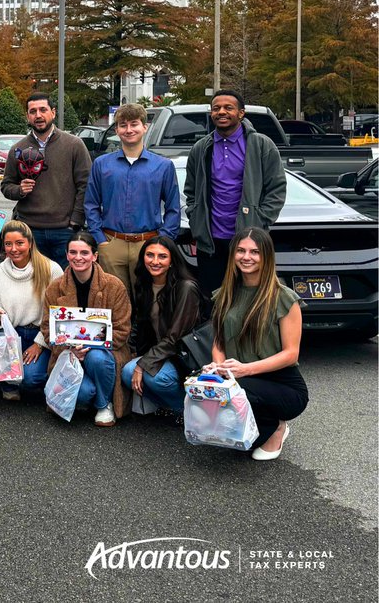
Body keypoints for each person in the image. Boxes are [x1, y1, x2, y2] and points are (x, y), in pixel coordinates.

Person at [205, 229, 308, 461]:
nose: (246, 257)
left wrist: (244, 370)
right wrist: (218, 369)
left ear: (267, 257)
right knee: (230, 437)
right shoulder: (224, 294)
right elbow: (219, 342)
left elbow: (291, 354)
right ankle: (261, 422)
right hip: (241, 379)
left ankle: (277, 426)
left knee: (242, 393)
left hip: (283, 385)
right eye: (240, 251)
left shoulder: (284, 298)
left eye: (255, 252)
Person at [184, 90, 285, 299]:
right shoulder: (201, 148)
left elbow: (277, 188)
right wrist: (196, 219)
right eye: (216, 108)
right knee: (213, 302)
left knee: (249, 301)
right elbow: (191, 191)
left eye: (228, 108)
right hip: (210, 243)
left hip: (248, 241)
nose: (221, 112)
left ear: (241, 113)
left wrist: (260, 220)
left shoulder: (261, 145)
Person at [35, 231, 132, 427]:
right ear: (67, 254)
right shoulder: (55, 288)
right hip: (69, 353)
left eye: (84, 253)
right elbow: (47, 328)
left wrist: (93, 347)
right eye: (73, 252)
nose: (78, 258)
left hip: (105, 353)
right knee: (82, 394)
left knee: (96, 357)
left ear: (95, 256)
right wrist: (68, 349)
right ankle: (95, 392)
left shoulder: (114, 286)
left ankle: (104, 404)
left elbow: (123, 329)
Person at [84, 103, 181, 297]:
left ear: (145, 127)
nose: (129, 130)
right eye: (122, 125)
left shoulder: (163, 166)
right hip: (111, 243)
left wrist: (163, 240)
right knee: (113, 299)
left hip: (148, 243)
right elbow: (91, 204)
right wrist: (100, 239)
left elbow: (173, 209)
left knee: (148, 299)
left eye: (134, 124)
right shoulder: (102, 165)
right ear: (117, 130)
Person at [0, 93, 91, 267]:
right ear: (27, 116)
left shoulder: (74, 145)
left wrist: (75, 222)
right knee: (34, 286)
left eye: (43, 110)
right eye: (33, 111)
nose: (38, 115)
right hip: (29, 231)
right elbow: (5, 186)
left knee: (65, 286)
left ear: (53, 112)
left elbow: (85, 185)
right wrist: (19, 190)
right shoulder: (17, 149)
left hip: (64, 230)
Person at [121, 237, 203, 415]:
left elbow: (175, 338)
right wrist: (128, 350)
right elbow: (139, 322)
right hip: (157, 351)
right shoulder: (145, 283)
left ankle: (188, 410)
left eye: (162, 256)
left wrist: (142, 364)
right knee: (126, 373)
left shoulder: (186, 288)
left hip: (181, 357)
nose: (155, 261)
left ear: (172, 260)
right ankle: (170, 406)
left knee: (156, 378)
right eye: (150, 255)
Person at [0, 221, 62, 402]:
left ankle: (49, 379)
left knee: (30, 378)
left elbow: (57, 312)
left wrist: (40, 343)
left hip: (41, 333)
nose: (14, 249)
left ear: (30, 243)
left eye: (19, 243)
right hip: (12, 333)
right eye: (8, 244)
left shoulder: (51, 269)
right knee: (11, 375)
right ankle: (8, 383)